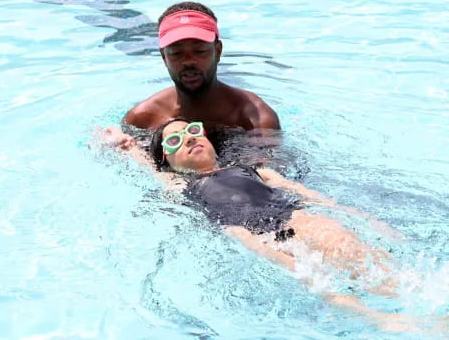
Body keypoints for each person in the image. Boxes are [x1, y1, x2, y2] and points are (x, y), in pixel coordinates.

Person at [112, 117, 449, 333]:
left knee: (353, 251)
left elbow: (316, 199)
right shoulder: (181, 185)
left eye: (192, 130)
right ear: (169, 162)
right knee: (314, 281)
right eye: (174, 142)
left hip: (295, 217)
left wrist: (368, 220)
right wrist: (125, 145)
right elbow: (148, 167)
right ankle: (385, 321)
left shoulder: (253, 170)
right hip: (251, 236)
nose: (187, 138)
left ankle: (421, 300)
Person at [105, 1, 280, 149]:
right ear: (164, 57)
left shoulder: (253, 118)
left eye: (199, 51)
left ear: (217, 51)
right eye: (176, 53)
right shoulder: (143, 118)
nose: (189, 61)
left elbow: (271, 179)